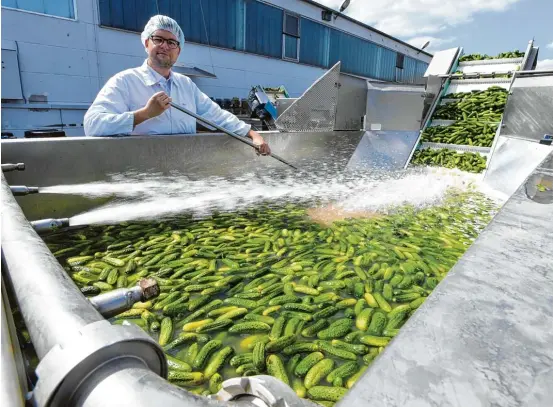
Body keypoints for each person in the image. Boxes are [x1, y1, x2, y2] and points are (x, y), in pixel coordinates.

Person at [84, 15, 270, 155]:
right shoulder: (125, 82)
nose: (165, 46)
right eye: (158, 39)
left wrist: (252, 134)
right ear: (147, 43)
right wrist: (144, 114)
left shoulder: (185, 85)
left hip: (184, 168)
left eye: (172, 42)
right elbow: (93, 125)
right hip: (141, 171)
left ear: (178, 51)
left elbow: (217, 116)